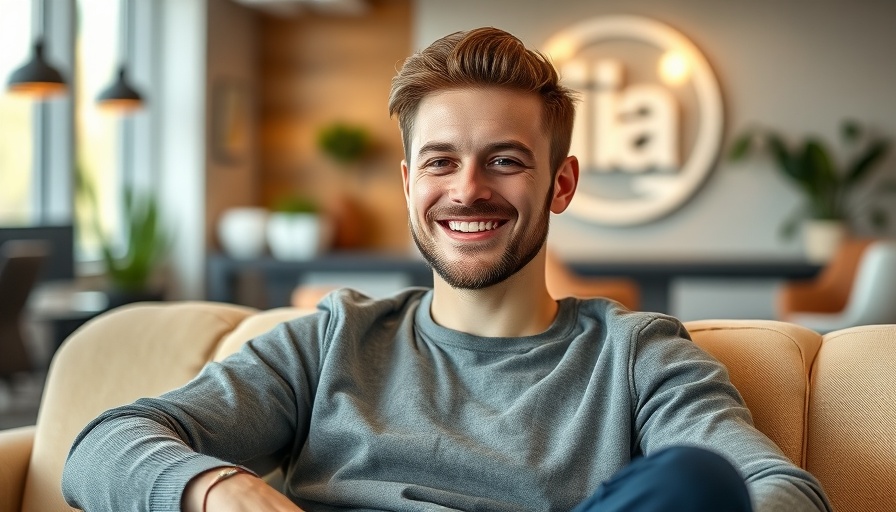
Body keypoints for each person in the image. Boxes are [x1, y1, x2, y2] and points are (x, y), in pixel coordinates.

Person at [62, 27, 832, 512]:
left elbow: (777, 490)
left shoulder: (635, 354)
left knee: (695, 482)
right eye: (441, 162)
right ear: (408, 184)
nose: (468, 189)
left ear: (560, 184)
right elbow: (106, 445)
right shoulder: (332, 339)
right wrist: (217, 487)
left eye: (505, 160)